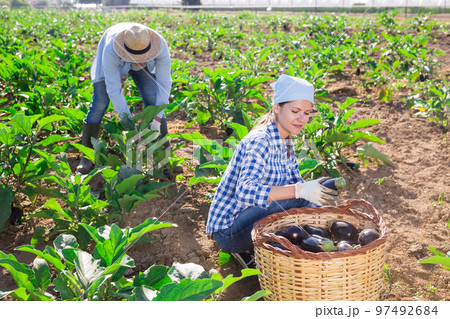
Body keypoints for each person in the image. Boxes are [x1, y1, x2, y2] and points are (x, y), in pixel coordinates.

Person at [205, 75, 338, 268]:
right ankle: (243, 249)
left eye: (307, 113)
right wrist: (300, 191)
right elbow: (245, 191)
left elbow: (299, 187)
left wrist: (323, 211)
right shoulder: (260, 140)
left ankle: (272, 251)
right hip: (230, 231)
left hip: (256, 219)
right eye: (295, 111)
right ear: (277, 107)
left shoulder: (287, 141)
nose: (302, 118)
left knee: (318, 190)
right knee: (300, 196)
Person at [77, 22, 173, 174]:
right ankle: (87, 156)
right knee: (100, 102)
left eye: (144, 56)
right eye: (136, 57)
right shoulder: (111, 49)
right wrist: (128, 122)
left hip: (139, 50)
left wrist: (158, 118)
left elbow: (164, 84)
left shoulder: (159, 46)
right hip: (113, 56)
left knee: (153, 99)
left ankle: (163, 159)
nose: (141, 60)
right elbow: (114, 90)